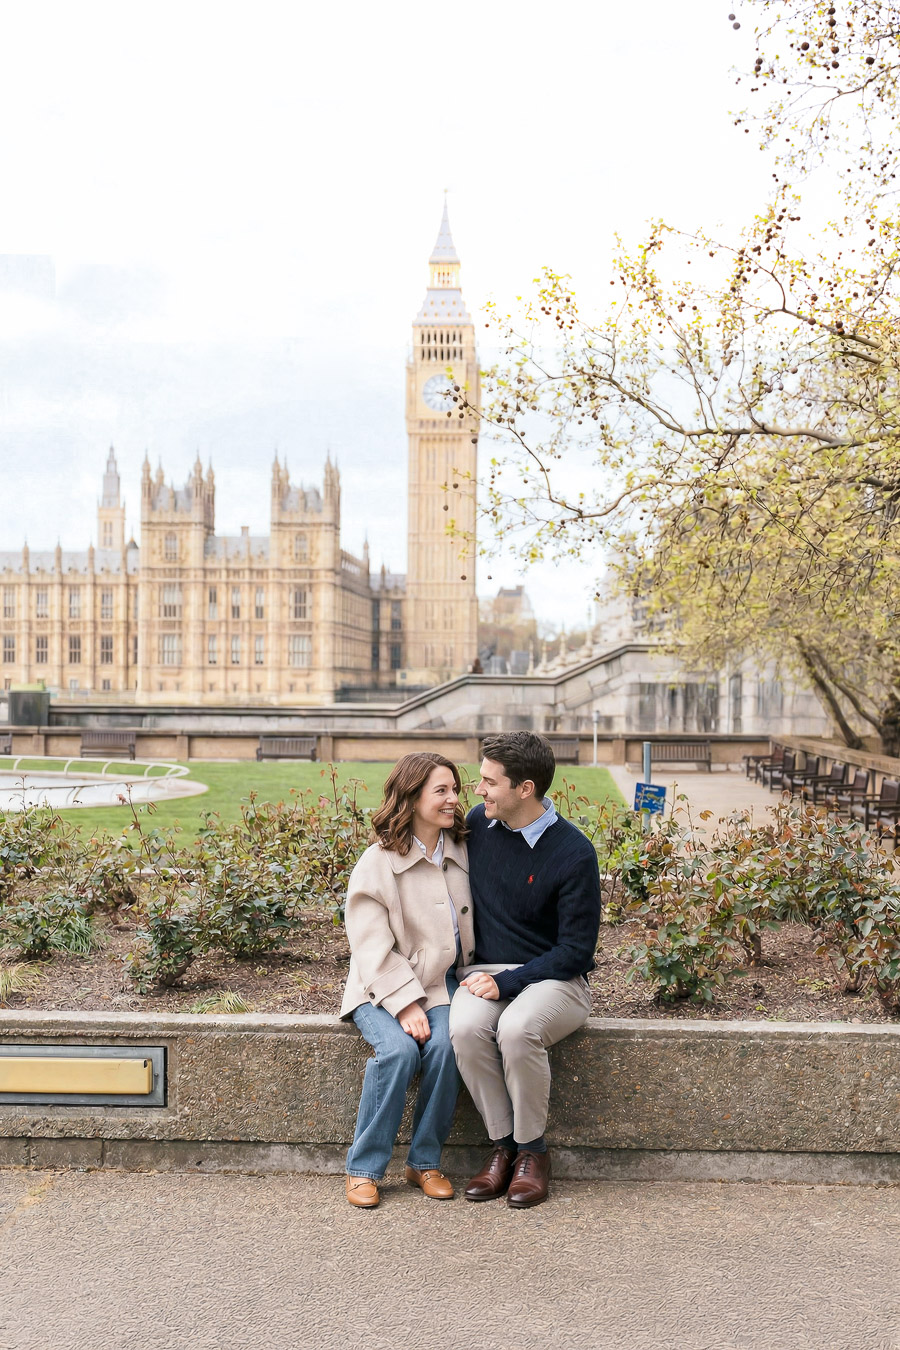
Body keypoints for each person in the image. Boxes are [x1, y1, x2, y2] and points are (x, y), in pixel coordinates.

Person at [449, 731, 601, 1209]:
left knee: (516, 1030)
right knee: (466, 1028)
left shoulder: (574, 852)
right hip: (488, 973)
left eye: (489, 782)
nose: (478, 791)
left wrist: (507, 981)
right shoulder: (479, 824)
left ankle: (534, 1153)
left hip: (557, 981)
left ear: (525, 789)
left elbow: (576, 950)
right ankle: (503, 1147)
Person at [340, 751, 476, 1208]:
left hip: (442, 983)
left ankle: (423, 1162)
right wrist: (405, 1002)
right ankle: (363, 1169)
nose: (453, 799)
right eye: (441, 791)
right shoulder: (378, 861)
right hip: (379, 986)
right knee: (398, 1052)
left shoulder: (460, 850)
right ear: (412, 796)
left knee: (446, 1045)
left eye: (455, 790)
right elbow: (370, 943)